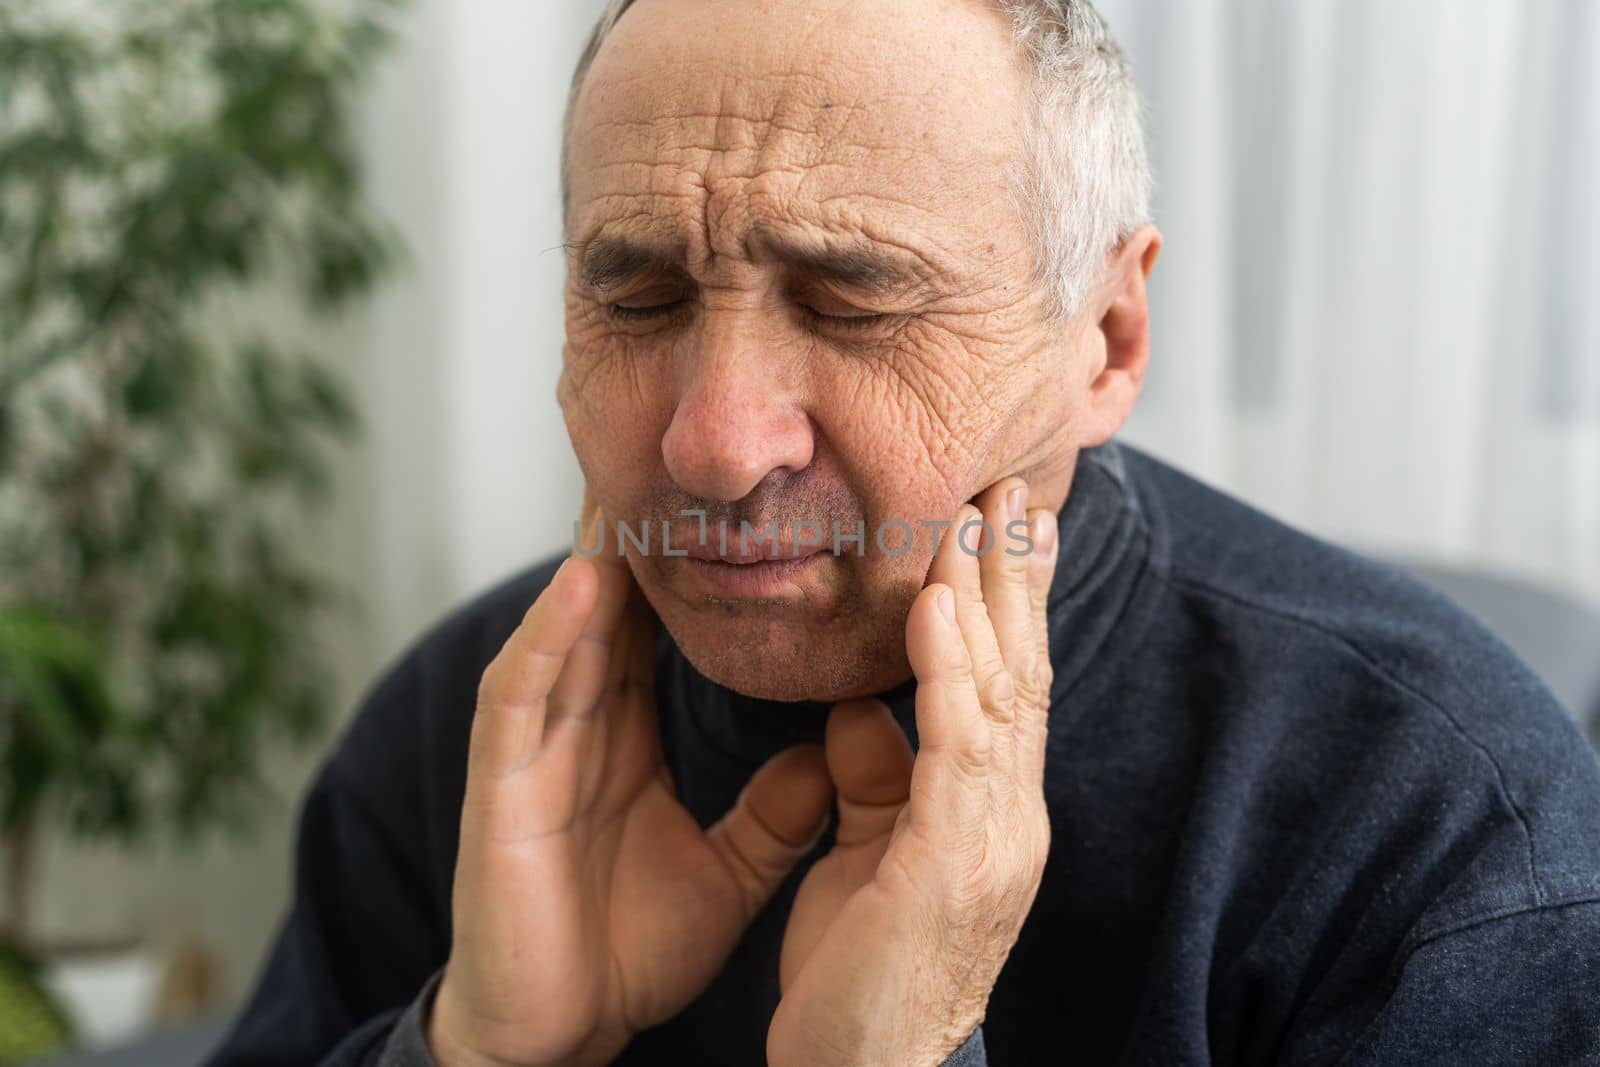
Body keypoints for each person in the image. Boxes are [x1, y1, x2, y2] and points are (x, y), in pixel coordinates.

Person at [208, 1, 1600, 1064]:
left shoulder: (1436, 821)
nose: (713, 442)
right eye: (635, 302)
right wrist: (470, 1049)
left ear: (1106, 343)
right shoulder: (477, 727)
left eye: (854, 302)